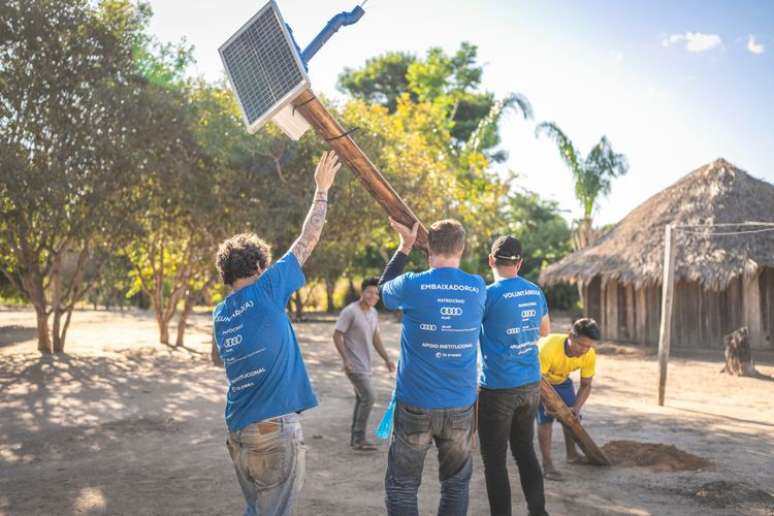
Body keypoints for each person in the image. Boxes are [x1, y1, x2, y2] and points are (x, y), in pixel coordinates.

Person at [212, 151, 341, 516]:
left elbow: (219, 358)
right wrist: (321, 190)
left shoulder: (220, 314)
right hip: (272, 431)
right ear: (258, 266)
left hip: (238, 430)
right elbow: (307, 240)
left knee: (257, 509)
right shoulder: (266, 289)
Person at [379, 217, 486, 516]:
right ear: (462, 248)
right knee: (455, 485)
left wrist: (404, 246)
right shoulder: (478, 287)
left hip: (415, 404)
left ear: (427, 248)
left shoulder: (412, 284)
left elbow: (383, 292)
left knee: (402, 485)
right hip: (460, 407)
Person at [477, 236, 551, 516]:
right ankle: (538, 512)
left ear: (491, 260)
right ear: (519, 263)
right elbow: (544, 331)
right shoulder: (534, 291)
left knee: (494, 462)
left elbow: (468, 331)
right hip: (530, 385)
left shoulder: (487, 294)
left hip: (497, 388)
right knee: (525, 452)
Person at [333, 277, 396, 451]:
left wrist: (387, 359)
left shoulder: (373, 313)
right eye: (369, 292)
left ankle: (356, 438)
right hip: (354, 365)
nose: (373, 296)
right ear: (362, 292)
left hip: (366, 364)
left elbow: (376, 338)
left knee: (362, 399)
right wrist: (346, 359)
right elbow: (337, 335)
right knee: (369, 397)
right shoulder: (350, 311)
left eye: (376, 293)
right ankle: (359, 438)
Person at [537, 318, 600, 481]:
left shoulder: (589, 354)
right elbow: (538, 381)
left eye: (589, 346)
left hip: (561, 381)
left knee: (571, 417)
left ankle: (572, 455)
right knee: (545, 420)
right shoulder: (547, 348)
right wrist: (548, 403)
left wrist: (576, 408)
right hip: (536, 380)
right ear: (571, 336)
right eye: (581, 344)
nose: (584, 350)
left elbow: (586, 385)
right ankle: (547, 465)